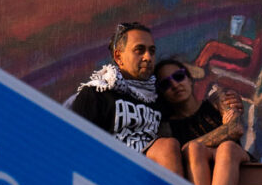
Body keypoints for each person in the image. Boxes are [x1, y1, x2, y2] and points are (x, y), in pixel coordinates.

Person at [70, 23, 183, 175]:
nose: (148, 57)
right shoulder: (97, 92)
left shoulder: (157, 96)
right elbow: (76, 146)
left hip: (152, 176)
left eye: (152, 51)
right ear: (118, 56)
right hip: (113, 176)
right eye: (139, 50)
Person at [155, 58, 248, 185]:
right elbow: (229, 130)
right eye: (165, 84)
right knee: (195, 150)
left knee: (226, 148)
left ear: (190, 79)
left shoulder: (218, 99)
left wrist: (186, 147)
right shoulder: (166, 128)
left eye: (179, 76)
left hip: (238, 167)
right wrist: (224, 130)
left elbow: (235, 129)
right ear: (161, 93)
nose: (175, 85)